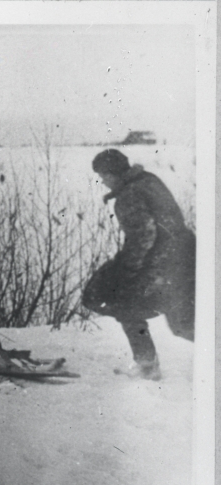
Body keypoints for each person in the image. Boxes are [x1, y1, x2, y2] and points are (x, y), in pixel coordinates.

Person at [82, 149, 195, 380]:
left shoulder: (128, 196)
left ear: (112, 174)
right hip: (186, 257)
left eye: (103, 176)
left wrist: (126, 271)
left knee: (120, 299)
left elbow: (144, 236)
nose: (102, 181)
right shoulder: (148, 180)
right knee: (183, 322)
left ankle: (146, 365)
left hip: (164, 263)